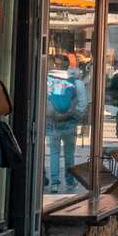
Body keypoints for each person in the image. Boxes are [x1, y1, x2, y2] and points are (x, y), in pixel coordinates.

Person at [45, 54, 87, 193]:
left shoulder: (48, 80)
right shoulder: (76, 81)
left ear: (56, 65)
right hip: (69, 124)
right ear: (69, 66)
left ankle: (55, 183)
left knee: (54, 153)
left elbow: (44, 101)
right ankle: (70, 182)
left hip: (52, 123)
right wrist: (74, 117)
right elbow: (82, 103)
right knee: (69, 154)